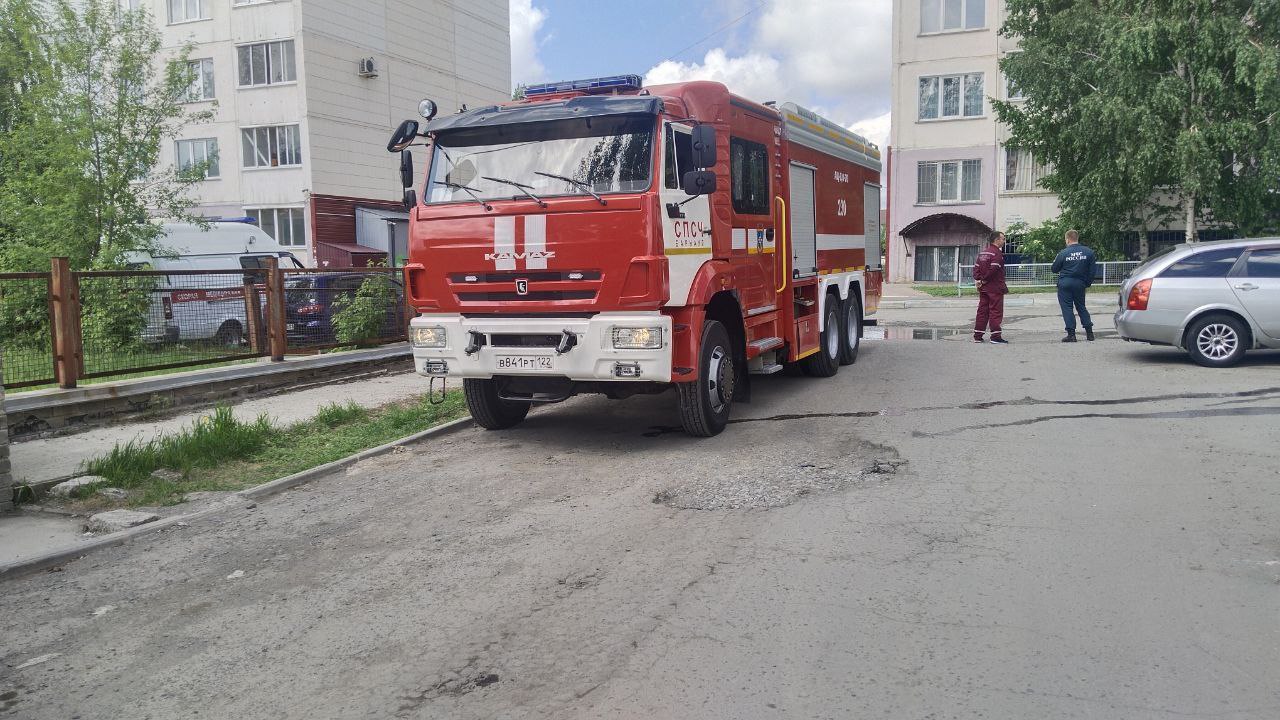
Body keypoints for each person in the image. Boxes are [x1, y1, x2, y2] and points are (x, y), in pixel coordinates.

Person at [1051, 230, 1097, 342]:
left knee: (1067, 308)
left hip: (1065, 283)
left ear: (1067, 239)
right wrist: (1087, 283)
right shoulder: (1089, 252)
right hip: (1080, 283)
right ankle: (1089, 333)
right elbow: (1092, 271)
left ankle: (1071, 335)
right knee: (1081, 306)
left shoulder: (1063, 253)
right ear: (1077, 238)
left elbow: (1054, 269)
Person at [972, 231, 1009, 344]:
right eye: (1003, 239)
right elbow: (993, 270)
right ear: (997, 240)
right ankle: (995, 336)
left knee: (982, 311)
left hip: (983, 288)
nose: (1004, 241)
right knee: (995, 311)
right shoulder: (996, 253)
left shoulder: (983, 253)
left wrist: (979, 280)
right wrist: (983, 280)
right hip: (995, 287)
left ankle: (978, 336)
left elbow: (976, 269)